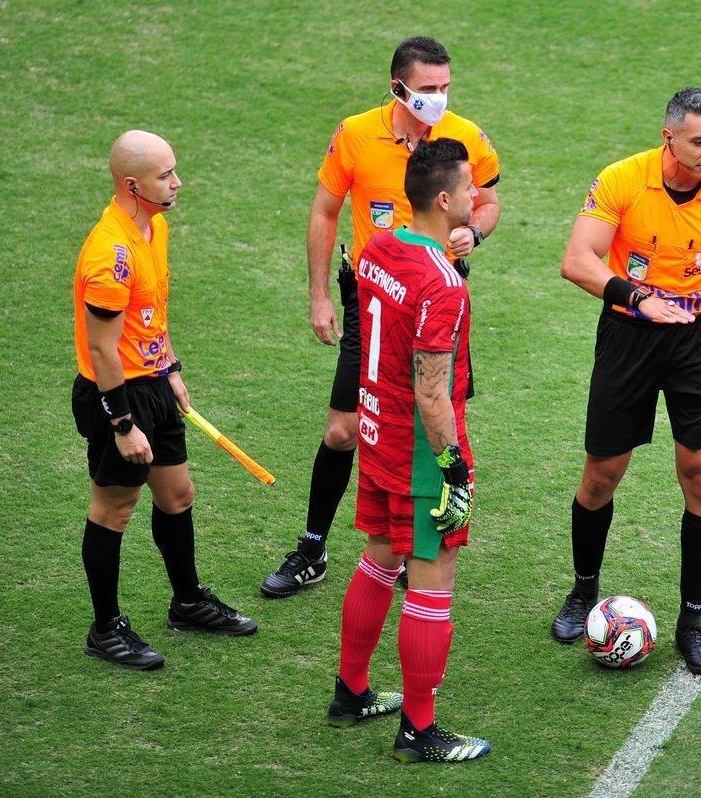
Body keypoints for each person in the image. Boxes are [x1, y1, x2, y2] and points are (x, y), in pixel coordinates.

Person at [261, 35, 500, 598]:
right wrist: (320, 296)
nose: (438, 100)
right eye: (426, 90)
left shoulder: (465, 139)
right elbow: (325, 211)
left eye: (445, 87)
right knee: (346, 429)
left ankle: (398, 549)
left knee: (426, 417)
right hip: (373, 296)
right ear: (397, 87)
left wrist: (476, 231)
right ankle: (313, 546)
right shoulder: (355, 134)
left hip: (435, 298)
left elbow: (488, 200)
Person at [553, 87, 701, 677]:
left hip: (698, 340)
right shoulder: (623, 180)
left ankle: (691, 620)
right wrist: (638, 299)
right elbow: (578, 259)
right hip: (630, 333)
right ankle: (582, 591)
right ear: (668, 136)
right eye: (699, 141)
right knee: (602, 473)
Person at [326, 138, 490, 763]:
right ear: (444, 199)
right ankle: (420, 730)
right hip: (421, 449)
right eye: (471, 188)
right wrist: (453, 469)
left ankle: (352, 690)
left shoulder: (379, 245)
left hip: (375, 430)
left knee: (377, 557)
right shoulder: (442, 284)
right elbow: (432, 391)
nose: (477, 198)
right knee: (430, 579)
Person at [72, 130, 257, 671]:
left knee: (177, 494)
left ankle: (188, 601)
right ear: (133, 185)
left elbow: (152, 312)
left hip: (151, 382)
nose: (177, 182)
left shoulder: (154, 226)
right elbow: (104, 351)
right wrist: (123, 424)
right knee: (114, 508)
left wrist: (170, 366)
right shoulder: (110, 256)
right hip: (117, 396)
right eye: (166, 175)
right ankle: (105, 629)